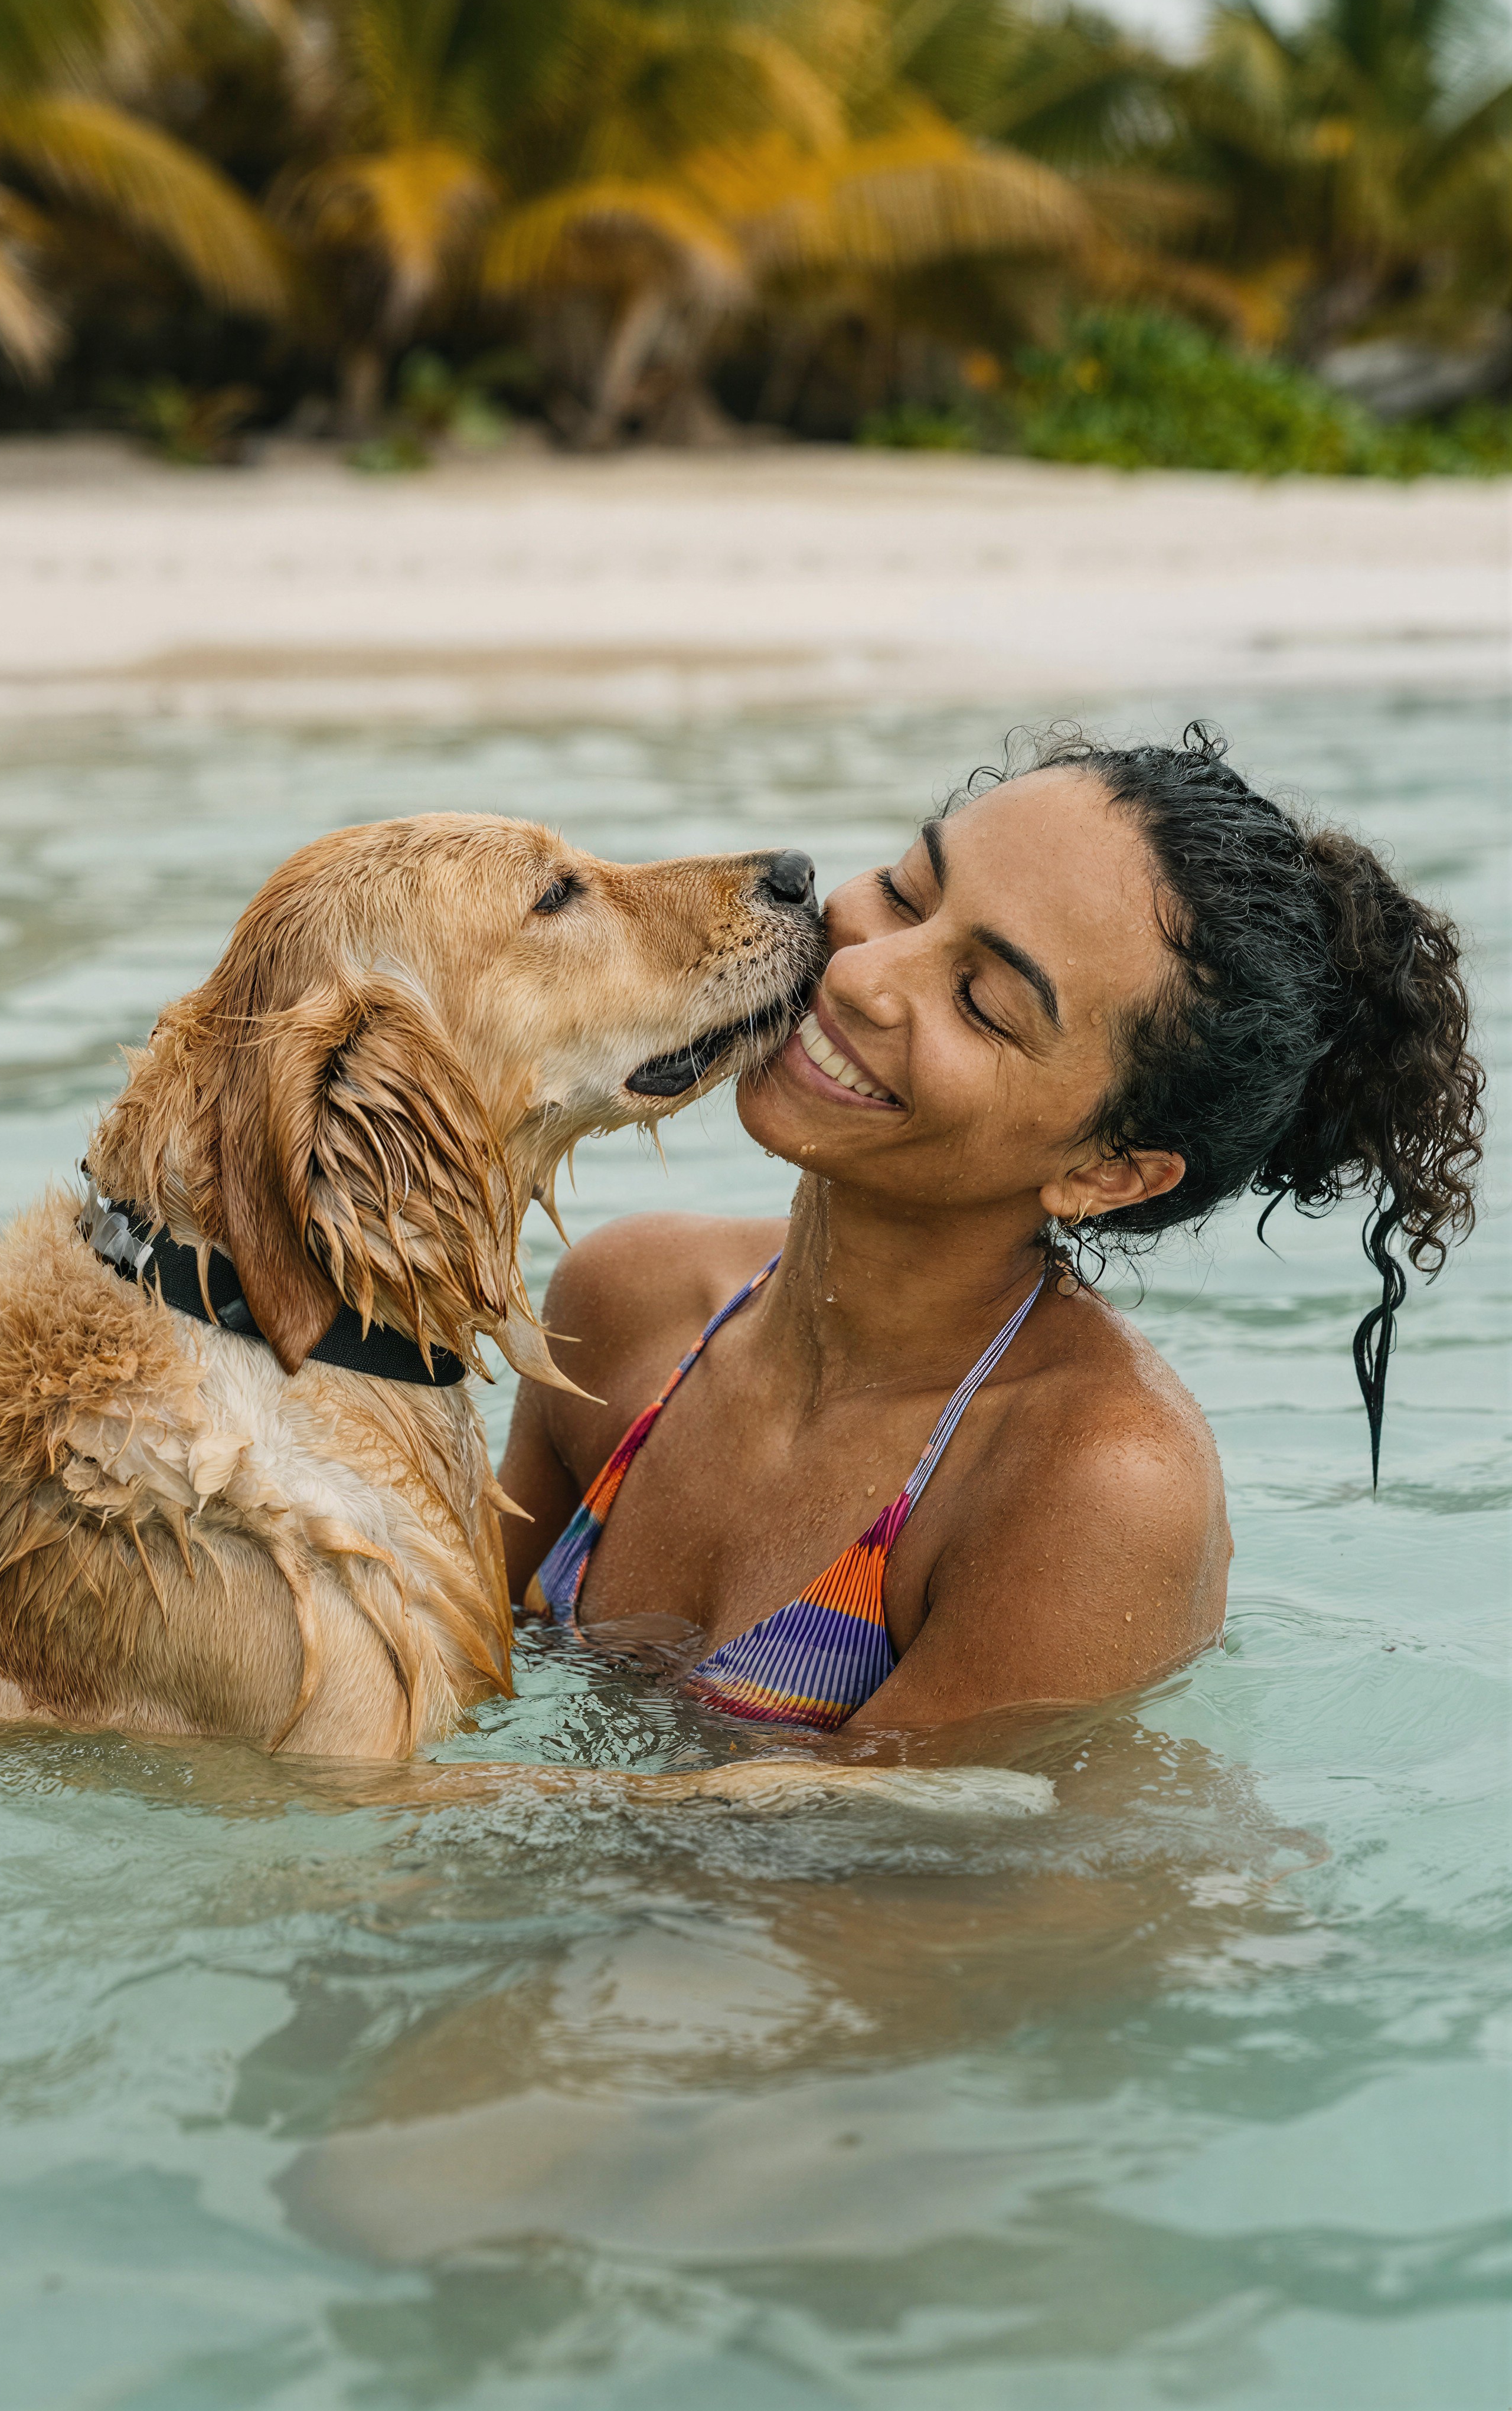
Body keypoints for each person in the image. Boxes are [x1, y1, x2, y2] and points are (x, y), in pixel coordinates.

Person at [502, 726, 1484, 1740]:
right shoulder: (628, 1301)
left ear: (1105, 1171)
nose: (862, 974)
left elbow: (873, 1842)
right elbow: (457, 1673)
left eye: (981, 1001)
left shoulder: (1094, 1482)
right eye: (905, 891)